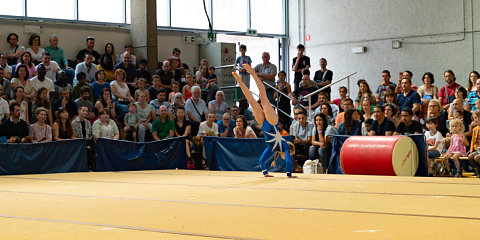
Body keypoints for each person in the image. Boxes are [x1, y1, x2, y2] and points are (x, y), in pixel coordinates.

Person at [233, 63, 296, 177]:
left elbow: (261, 161)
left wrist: (265, 173)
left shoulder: (271, 148)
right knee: (263, 97)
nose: (288, 156)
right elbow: (287, 162)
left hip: (263, 124)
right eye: (289, 154)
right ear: (290, 151)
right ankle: (253, 73)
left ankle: (240, 81)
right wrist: (289, 174)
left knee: (251, 101)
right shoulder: (284, 145)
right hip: (272, 123)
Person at [468, 111, 480, 177]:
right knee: (470, 156)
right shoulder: (475, 129)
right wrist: (471, 149)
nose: (474, 120)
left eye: (476, 118)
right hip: (477, 149)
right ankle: (477, 170)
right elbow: (473, 140)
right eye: (473, 118)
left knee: (477, 158)